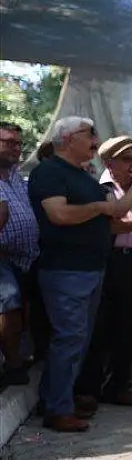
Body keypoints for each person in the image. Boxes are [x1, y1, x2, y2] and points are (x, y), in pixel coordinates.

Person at [29, 117, 132, 432]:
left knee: (78, 339)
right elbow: (58, 214)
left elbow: (119, 209)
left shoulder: (84, 176)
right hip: (65, 270)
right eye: (90, 134)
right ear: (68, 138)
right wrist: (98, 208)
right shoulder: (49, 172)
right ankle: (58, 409)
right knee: (69, 337)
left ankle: (56, 399)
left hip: (90, 269)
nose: (96, 140)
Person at [77, 135, 132, 408]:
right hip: (108, 261)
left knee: (126, 326)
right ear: (109, 163)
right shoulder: (102, 188)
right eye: (127, 159)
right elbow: (108, 226)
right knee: (99, 326)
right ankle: (89, 388)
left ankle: (119, 385)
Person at [0, 121, 39, 386]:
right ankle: (13, 364)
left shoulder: (16, 175)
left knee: (27, 308)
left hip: (27, 257)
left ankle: (23, 356)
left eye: (18, 143)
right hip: (2, 256)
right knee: (10, 301)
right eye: (8, 143)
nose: (16, 148)